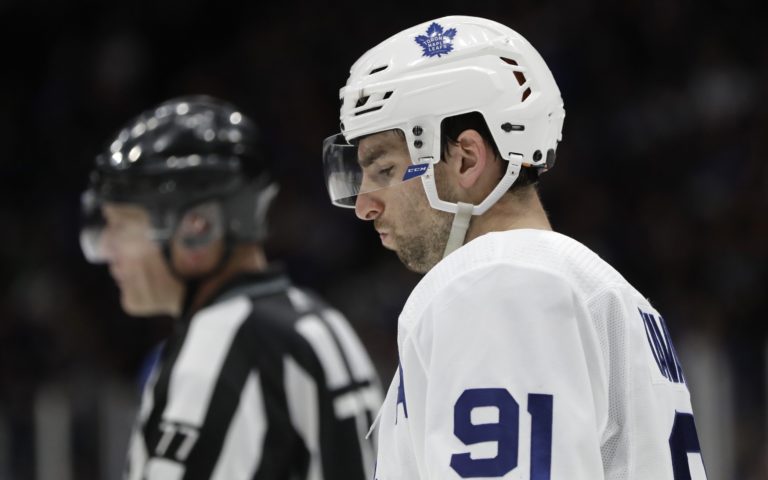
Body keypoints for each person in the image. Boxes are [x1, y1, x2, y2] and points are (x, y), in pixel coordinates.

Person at [322, 16, 706, 480]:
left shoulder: (497, 282)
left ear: (466, 158)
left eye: (384, 170)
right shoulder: (588, 285)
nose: (364, 206)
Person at [82, 95, 381, 480]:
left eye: (122, 225)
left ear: (198, 228)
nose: (107, 250)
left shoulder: (216, 351)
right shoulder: (319, 320)